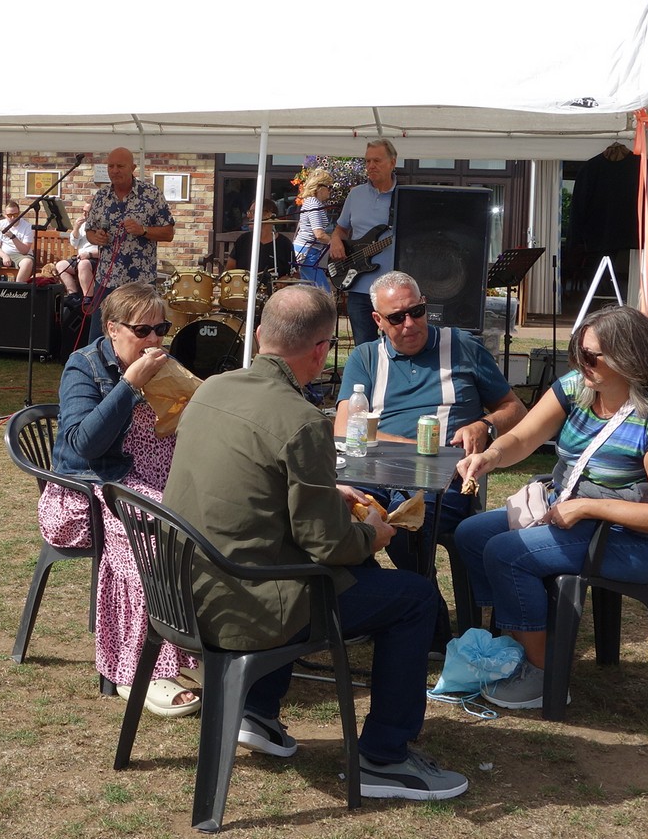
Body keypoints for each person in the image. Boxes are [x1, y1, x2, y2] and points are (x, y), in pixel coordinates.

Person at [163, 284, 470, 801]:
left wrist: (329, 491)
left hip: (182, 592)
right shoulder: (303, 420)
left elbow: (251, 487)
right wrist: (374, 533)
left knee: (349, 577)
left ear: (259, 335)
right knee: (414, 598)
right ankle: (384, 758)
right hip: (248, 607)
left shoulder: (212, 388)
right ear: (322, 349)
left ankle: (258, 710)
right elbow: (328, 544)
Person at [452, 306, 648, 710]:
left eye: (591, 356)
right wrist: (490, 456)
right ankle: (516, 640)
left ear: (629, 357)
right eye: (577, 352)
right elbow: (524, 438)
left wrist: (587, 508)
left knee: (508, 553)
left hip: (639, 539)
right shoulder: (577, 387)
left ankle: (545, 674)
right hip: (574, 512)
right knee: (471, 535)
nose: (581, 363)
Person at [45, 283, 199, 716]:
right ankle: (138, 670)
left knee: (210, 524)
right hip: (92, 486)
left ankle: (189, 652)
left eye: (161, 329)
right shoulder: (84, 366)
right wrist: (130, 385)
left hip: (153, 479)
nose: (154, 340)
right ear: (112, 329)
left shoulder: (164, 364)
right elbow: (84, 444)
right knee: (153, 541)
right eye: (142, 330)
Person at [332, 271, 527, 579]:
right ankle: (387, 593)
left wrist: (485, 425)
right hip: (374, 476)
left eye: (417, 311)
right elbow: (344, 430)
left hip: (443, 481)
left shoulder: (463, 346)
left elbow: (515, 408)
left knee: (408, 520)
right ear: (377, 320)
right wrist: (423, 450)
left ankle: (419, 598)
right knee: (335, 514)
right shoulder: (366, 357)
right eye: (397, 318)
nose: (410, 324)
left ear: (425, 305)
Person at [83, 147, 175, 342]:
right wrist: (95, 237)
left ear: (133, 168)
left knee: (140, 336)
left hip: (140, 282)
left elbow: (169, 233)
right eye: (110, 166)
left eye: (120, 166)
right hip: (107, 279)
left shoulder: (151, 194)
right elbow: (89, 230)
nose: (114, 170)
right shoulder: (100, 197)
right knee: (100, 337)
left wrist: (143, 230)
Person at [329, 140, 399, 347]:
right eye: (367, 161)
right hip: (358, 287)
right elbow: (341, 229)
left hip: (392, 289)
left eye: (377, 160)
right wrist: (335, 240)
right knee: (364, 348)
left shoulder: (404, 196)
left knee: (395, 346)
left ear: (392, 162)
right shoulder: (356, 194)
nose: (371, 166)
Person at [223, 201, 297, 280]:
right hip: (245, 286)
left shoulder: (284, 243)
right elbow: (229, 270)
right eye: (249, 212)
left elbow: (295, 274)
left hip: (274, 287)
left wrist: (285, 279)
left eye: (253, 212)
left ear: (269, 215)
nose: (248, 215)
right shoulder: (243, 240)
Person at [293, 169, 335, 293]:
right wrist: (335, 243)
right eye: (329, 187)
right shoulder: (313, 204)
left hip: (308, 251)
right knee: (323, 290)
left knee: (307, 289)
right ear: (319, 188)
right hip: (308, 252)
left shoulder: (314, 203)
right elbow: (319, 234)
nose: (330, 190)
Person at [0, 201, 38, 282]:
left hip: (21, 256)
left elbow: (25, 251)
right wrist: (4, 256)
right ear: (5, 215)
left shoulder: (27, 226)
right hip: (3, 254)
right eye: (9, 215)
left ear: (19, 214)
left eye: (15, 215)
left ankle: (18, 287)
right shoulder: (0, 224)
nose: (13, 218)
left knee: (27, 262)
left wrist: (12, 237)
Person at [52, 202, 101, 301]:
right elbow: (74, 244)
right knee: (61, 266)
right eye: (83, 211)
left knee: (83, 264)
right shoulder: (83, 225)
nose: (84, 215)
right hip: (81, 257)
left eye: (87, 212)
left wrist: (89, 254)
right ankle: (73, 295)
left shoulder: (102, 226)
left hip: (95, 258)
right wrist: (76, 228)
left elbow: (106, 250)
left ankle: (88, 298)